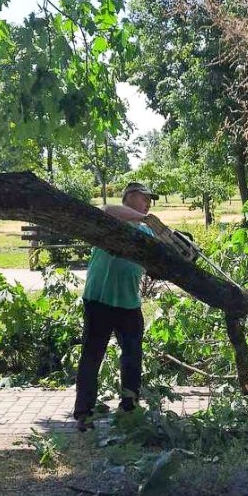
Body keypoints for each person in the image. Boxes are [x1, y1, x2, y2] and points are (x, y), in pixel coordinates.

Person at [73, 181, 160, 431]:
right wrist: (146, 217)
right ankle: (83, 413)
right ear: (130, 197)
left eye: (149, 201)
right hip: (99, 301)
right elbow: (104, 209)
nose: (148, 204)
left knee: (132, 357)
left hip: (129, 304)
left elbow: (158, 260)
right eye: (145, 198)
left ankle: (129, 408)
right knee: (92, 355)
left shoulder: (147, 231)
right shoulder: (111, 221)